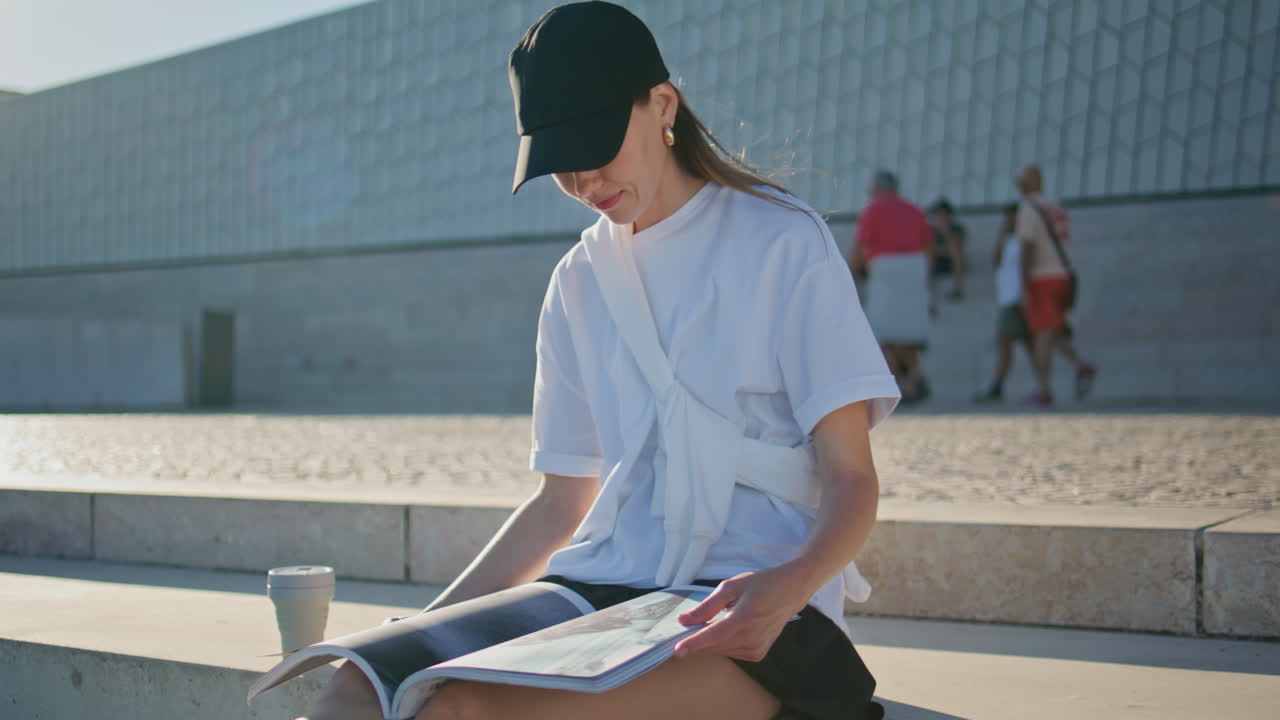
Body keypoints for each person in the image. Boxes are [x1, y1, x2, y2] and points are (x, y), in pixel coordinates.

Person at [301, 3, 899, 719]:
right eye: (559, 164)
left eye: (596, 146)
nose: (585, 182)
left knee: (465, 713)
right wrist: (421, 626)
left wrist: (792, 584)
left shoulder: (782, 242)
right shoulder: (578, 280)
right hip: (599, 594)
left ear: (662, 106)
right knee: (359, 685)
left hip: (747, 614)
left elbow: (852, 479)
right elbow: (561, 503)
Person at [1015, 165, 1097, 407]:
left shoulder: (1028, 209)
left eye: (1020, 180)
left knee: (1041, 334)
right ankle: (1081, 366)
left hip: (1042, 278)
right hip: (1062, 275)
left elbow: (1027, 247)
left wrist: (1022, 284)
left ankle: (1043, 388)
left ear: (1030, 182)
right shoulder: (1056, 206)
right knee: (1052, 331)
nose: (1017, 184)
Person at [849, 170, 934, 403]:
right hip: (915, 268)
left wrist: (852, 276)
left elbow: (860, 245)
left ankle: (898, 383)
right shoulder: (914, 209)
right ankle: (913, 376)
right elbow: (928, 245)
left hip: (884, 268)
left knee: (884, 331)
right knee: (909, 331)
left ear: (878, 188)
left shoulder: (872, 209)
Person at [927, 197, 966, 302]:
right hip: (935, 262)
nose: (941, 217)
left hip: (952, 263)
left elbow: (956, 246)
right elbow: (928, 247)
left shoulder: (957, 229)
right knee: (928, 253)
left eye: (944, 214)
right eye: (938, 214)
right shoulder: (930, 230)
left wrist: (944, 230)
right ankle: (927, 290)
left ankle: (957, 289)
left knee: (955, 251)